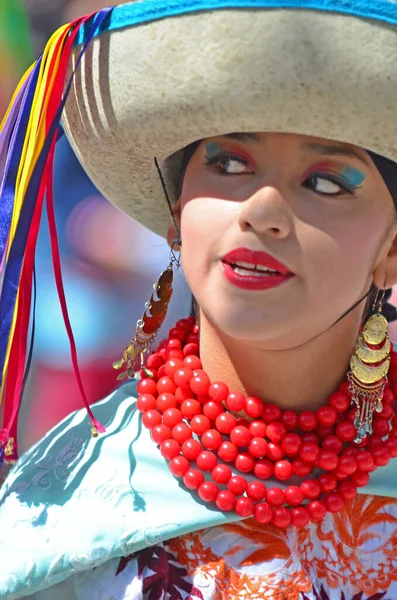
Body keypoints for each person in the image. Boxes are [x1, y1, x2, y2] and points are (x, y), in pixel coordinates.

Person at [1, 1, 397, 598]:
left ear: (391, 251)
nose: (261, 212)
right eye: (229, 162)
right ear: (178, 212)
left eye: (325, 181)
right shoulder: (65, 508)